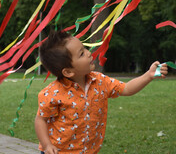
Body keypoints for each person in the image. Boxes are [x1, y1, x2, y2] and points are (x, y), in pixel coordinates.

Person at [34, 30, 168, 154]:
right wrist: (46, 145)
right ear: (68, 71)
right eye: (81, 53)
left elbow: (126, 89)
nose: (88, 53)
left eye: (84, 48)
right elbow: (41, 119)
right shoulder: (52, 94)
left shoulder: (100, 81)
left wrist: (148, 75)